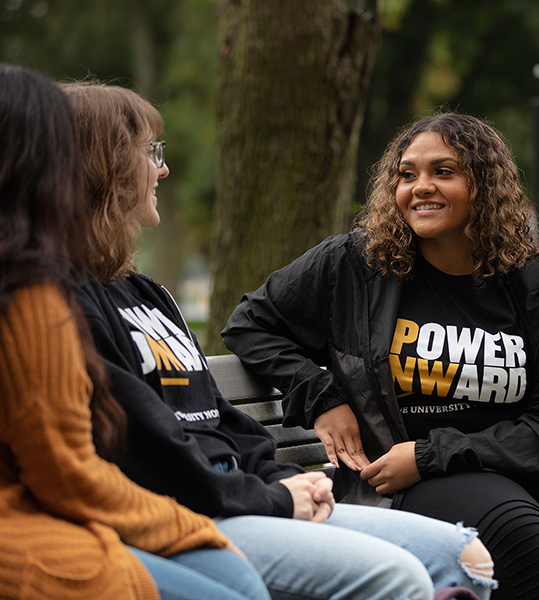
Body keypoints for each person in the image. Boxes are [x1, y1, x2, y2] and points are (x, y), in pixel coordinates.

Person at [62, 80, 497, 600]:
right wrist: (271, 491)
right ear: (100, 166)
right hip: (196, 510)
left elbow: (216, 417)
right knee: (396, 576)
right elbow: (150, 447)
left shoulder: (146, 292)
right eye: (150, 153)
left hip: (245, 489)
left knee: (464, 556)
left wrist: (282, 477)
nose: (163, 168)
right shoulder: (67, 302)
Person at [223, 112, 539, 599]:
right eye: (407, 174)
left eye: (444, 172)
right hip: (411, 476)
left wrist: (433, 453)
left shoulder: (536, 287)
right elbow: (251, 324)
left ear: (484, 185)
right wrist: (322, 395)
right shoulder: (355, 266)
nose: (421, 187)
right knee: (522, 538)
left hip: (522, 459)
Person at [0, 63, 269, 600]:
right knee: (230, 585)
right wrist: (190, 528)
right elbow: (67, 475)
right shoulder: (20, 293)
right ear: (39, 165)